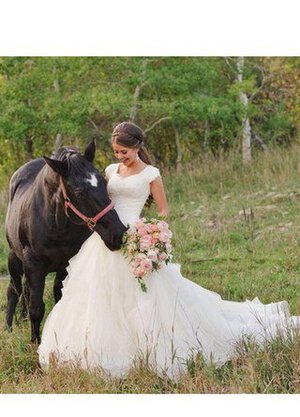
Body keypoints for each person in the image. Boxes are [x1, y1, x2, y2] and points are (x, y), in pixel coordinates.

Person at [38, 122, 300, 379]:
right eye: (116, 152)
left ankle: (148, 346)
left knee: (147, 297)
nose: (120, 157)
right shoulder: (110, 170)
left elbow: (163, 211)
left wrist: (150, 233)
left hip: (137, 237)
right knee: (99, 293)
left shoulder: (151, 174)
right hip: (108, 236)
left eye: (124, 152)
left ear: (137, 147)